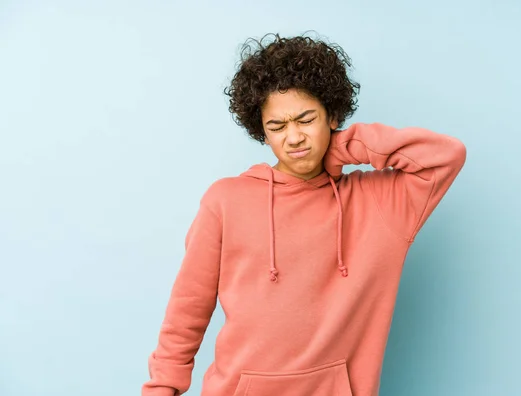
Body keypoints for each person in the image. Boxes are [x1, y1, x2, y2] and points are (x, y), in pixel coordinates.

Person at [142, 32, 467, 396]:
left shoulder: (380, 202)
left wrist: (342, 147)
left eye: (305, 119)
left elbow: (445, 156)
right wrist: (161, 389)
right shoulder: (225, 201)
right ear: (261, 132)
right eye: (277, 127)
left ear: (333, 114)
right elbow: (186, 311)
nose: (293, 137)